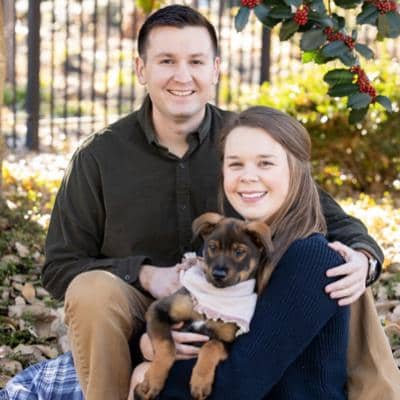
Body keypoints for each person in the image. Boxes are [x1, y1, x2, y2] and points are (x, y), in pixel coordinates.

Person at [41, 5, 383, 400]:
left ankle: (379, 393)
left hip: (240, 301)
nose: (182, 76)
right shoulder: (99, 157)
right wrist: (145, 275)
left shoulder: (244, 141)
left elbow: (318, 211)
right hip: (143, 307)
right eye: (166, 61)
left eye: (196, 61)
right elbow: (60, 266)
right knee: (92, 291)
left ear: (215, 69)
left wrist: (365, 259)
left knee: (342, 268)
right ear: (141, 69)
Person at [130, 105, 350, 399]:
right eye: (235, 164)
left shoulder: (311, 258)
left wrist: (148, 374)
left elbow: (239, 384)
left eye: (265, 163)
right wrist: (148, 345)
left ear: (296, 169)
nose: (248, 176)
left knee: (142, 376)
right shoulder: (243, 247)